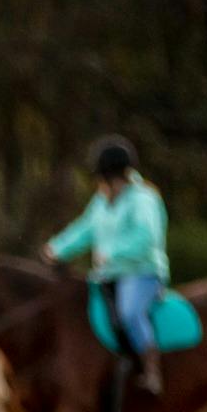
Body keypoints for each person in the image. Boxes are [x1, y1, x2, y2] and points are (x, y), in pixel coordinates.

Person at [43, 134, 170, 394]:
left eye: (104, 178)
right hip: (107, 275)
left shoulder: (143, 199)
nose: (100, 184)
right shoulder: (101, 200)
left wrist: (111, 252)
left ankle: (151, 370)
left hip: (142, 273)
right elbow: (85, 228)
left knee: (130, 312)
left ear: (118, 177)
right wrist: (57, 248)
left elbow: (147, 237)